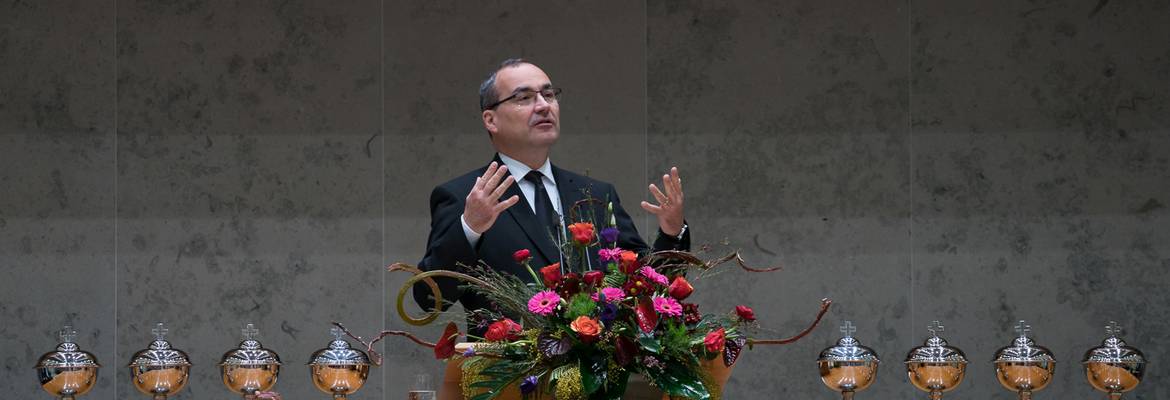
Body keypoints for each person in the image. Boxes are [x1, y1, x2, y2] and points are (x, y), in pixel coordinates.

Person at [413, 59, 690, 334]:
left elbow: (650, 289)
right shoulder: (464, 196)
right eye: (524, 98)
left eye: (548, 95)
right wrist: (469, 228)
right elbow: (429, 299)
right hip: (507, 372)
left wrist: (672, 232)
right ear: (491, 119)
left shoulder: (595, 194)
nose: (544, 106)